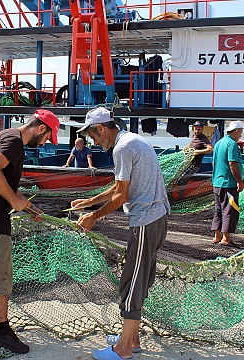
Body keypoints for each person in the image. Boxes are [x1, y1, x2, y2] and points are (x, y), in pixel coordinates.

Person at [70, 107, 169, 360]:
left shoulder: (122, 148)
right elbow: (118, 187)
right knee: (140, 277)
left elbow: (121, 197)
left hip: (146, 220)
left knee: (132, 281)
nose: (92, 141)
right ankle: (131, 338)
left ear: (101, 128)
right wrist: (89, 201)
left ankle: (124, 349)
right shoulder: (131, 140)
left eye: (92, 135)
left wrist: (93, 216)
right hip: (155, 217)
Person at [0, 109, 59, 355]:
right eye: (48, 136)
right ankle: (2, 332)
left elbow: (0, 179)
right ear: (40, 128)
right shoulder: (15, 142)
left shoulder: (6, 135)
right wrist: (14, 201)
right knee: (1, 277)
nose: (46, 142)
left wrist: (26, 206)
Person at [211, 121, 244, 246]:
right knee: (229, 209)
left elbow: (214, 163)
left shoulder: (219, 143)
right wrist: (239, 182)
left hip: (217, 183)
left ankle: (217, 235)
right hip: (228, 183)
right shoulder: (232, 144)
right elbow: (232, 163)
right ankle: (226, 238)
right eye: (240, 132)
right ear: (236, 131)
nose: (240, 135)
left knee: (218, 209)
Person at [178, 121, 213, 186]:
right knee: (179, 177)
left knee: (182, 179)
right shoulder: (194, 136)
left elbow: (210, 149)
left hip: (195, 164)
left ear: (202, 129)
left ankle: (181, 195)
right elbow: (191, 144)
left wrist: (198, 152)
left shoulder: (203, 139)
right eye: (196, 129)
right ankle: (179, 193)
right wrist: (186, 147)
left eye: (199, 129)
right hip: (188, 162)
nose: (197, 131)